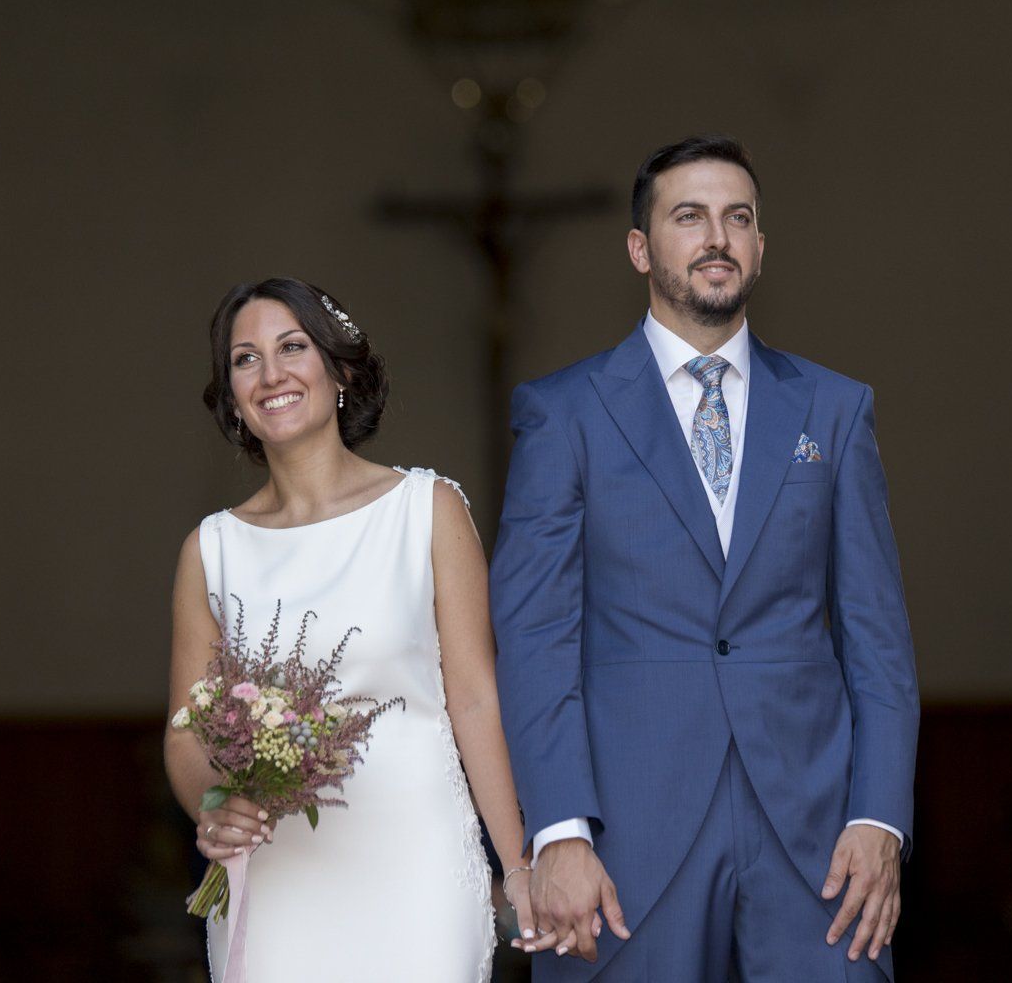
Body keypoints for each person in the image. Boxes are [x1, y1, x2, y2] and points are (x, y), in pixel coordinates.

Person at [491, 135, 920, 981]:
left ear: (760, 247)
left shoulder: (835, 410)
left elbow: (878, 639)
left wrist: (880, 818)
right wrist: (559, 830)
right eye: (689, 217)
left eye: (738, 218)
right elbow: (534, 638)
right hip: (624, 839)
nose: (717, 237)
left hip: (817, 840)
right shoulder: (563, 414)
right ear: (640, 248)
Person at [163, 277, 533, 982]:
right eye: (245, 359)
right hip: (277, 887)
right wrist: (214, 807)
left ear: (339, 370)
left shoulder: (428, 510)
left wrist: (517, 866)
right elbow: (187, 732)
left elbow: (476, 699)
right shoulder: (211, 550)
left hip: (420, 875)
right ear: (233, 397)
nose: (271, 374)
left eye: (292, 347)